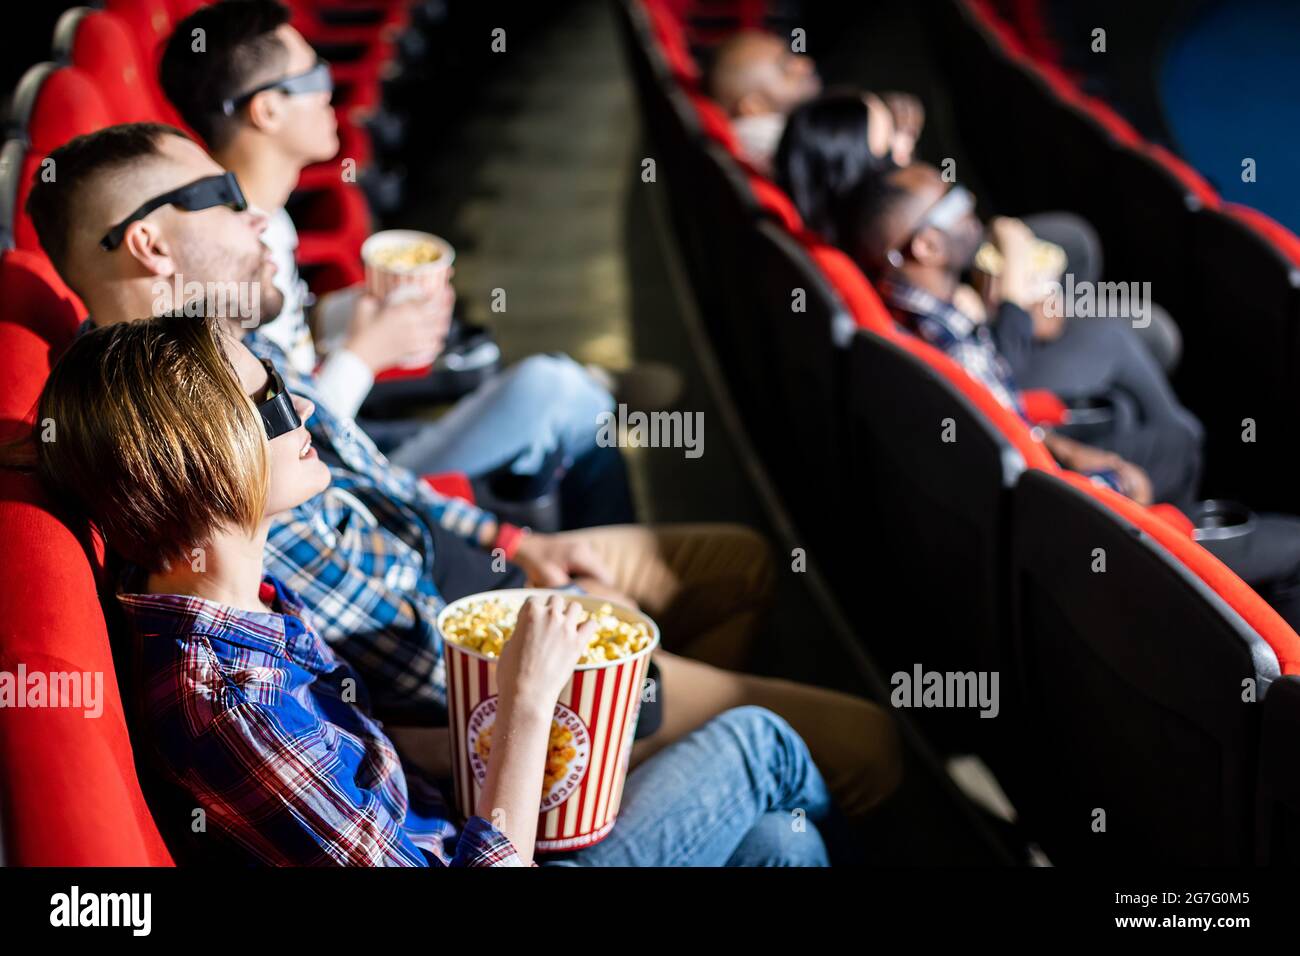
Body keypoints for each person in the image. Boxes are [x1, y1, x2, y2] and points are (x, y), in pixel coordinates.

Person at [24, 122, 902, 823]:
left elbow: (385, 492)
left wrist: (524, 548)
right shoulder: (193, 454)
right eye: (222, 197)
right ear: (148, 243)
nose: (257, 214)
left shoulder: (228, 368)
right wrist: (568, 681)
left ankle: (659, 779)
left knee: (740, 566)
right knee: (864, 747)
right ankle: (652, 771)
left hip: (473, 600)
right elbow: (402, 685)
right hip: (479, 680)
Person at [11, 312, 837, 866]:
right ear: (201, 463)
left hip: (460, 822)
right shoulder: (230, 702)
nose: (301, 406)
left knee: (780, 844)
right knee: (760, 742)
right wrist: (525, 701)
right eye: (266, 402)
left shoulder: (237, 603)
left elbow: (374, 774)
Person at [159, 0, 643, 529]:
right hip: (337, 484)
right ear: (267, 110)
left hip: (356, 445)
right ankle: (624, 571)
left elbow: (289, 336)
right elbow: (283, 439)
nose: (330, 92)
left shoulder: (267, 219)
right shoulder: (227, 255)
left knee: (565, 408)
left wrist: (368, 309)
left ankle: (605, 557)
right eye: (313, 75)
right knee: (556, 392)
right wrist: (367, 353)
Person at [839, 162, 1300, 629]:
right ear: (927, 245)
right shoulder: (950, 345)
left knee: (1163, 430)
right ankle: (1191, 585)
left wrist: (1065, 446)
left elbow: (1006, 429)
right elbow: (1031, 496)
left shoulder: (909, 313)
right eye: (954, 205)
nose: (970, 205)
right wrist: (1117, 485)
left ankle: (1198, 566)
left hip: (1045, 497)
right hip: (1085, 537)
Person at [770, 87, 1184, 373]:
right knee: (1150, 327)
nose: (906, 146)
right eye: (891, 145)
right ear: (857, 171)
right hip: (996, 350)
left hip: (990, 314)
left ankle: (1073, 331)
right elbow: (968, 347)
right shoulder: (878, 254)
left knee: (1071, 240)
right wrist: (1013, 303)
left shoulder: (848, 222)